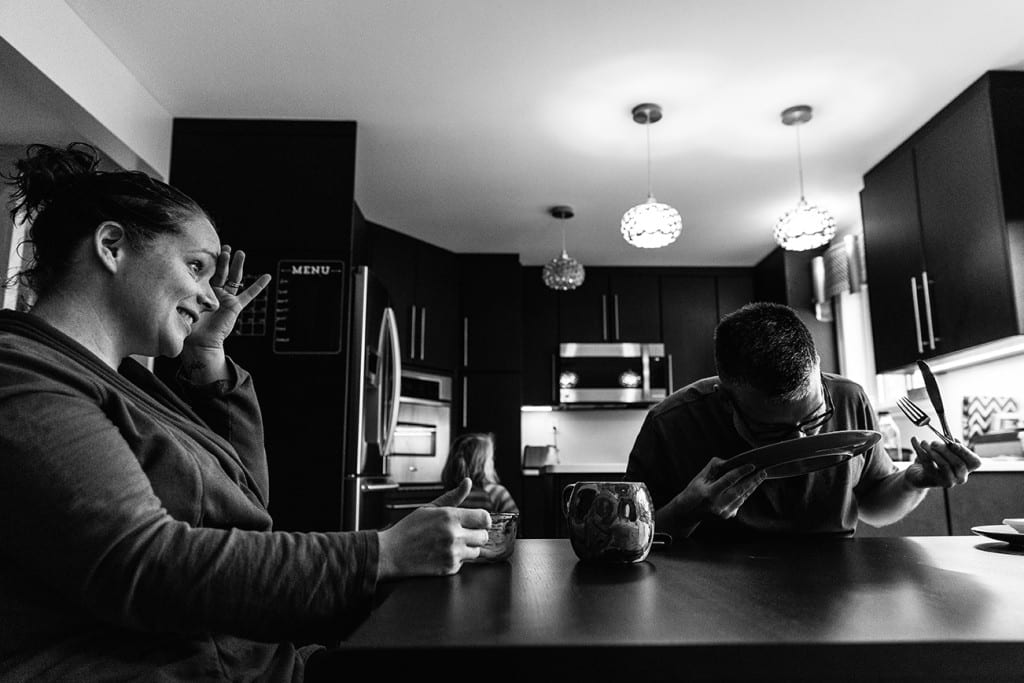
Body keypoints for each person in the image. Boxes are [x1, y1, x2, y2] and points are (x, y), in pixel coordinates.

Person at [0, 143, 492, 682]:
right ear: (112, 245)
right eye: (196, 267)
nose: (211, 298)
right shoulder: (23, 377)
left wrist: (209, 360)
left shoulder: (122, 380)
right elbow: (143, 565)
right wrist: (380, 554)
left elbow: (243, 505)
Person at [625, 301, 982, 540]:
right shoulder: (670, 424)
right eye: (772, 430)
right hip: (707, 590)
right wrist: (688, 512)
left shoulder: (848, 398)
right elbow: (626, 537)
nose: (799, 439)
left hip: (833, 585)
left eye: (814, 417)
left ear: (818, 368)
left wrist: (913, 481)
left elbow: (874, 505)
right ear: (725, 398)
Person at [441, 432, 518, 514]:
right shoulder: (497, 493)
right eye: (491, 458)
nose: (493, 462)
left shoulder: (448, 496)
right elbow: (514, 522)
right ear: (481, 464)